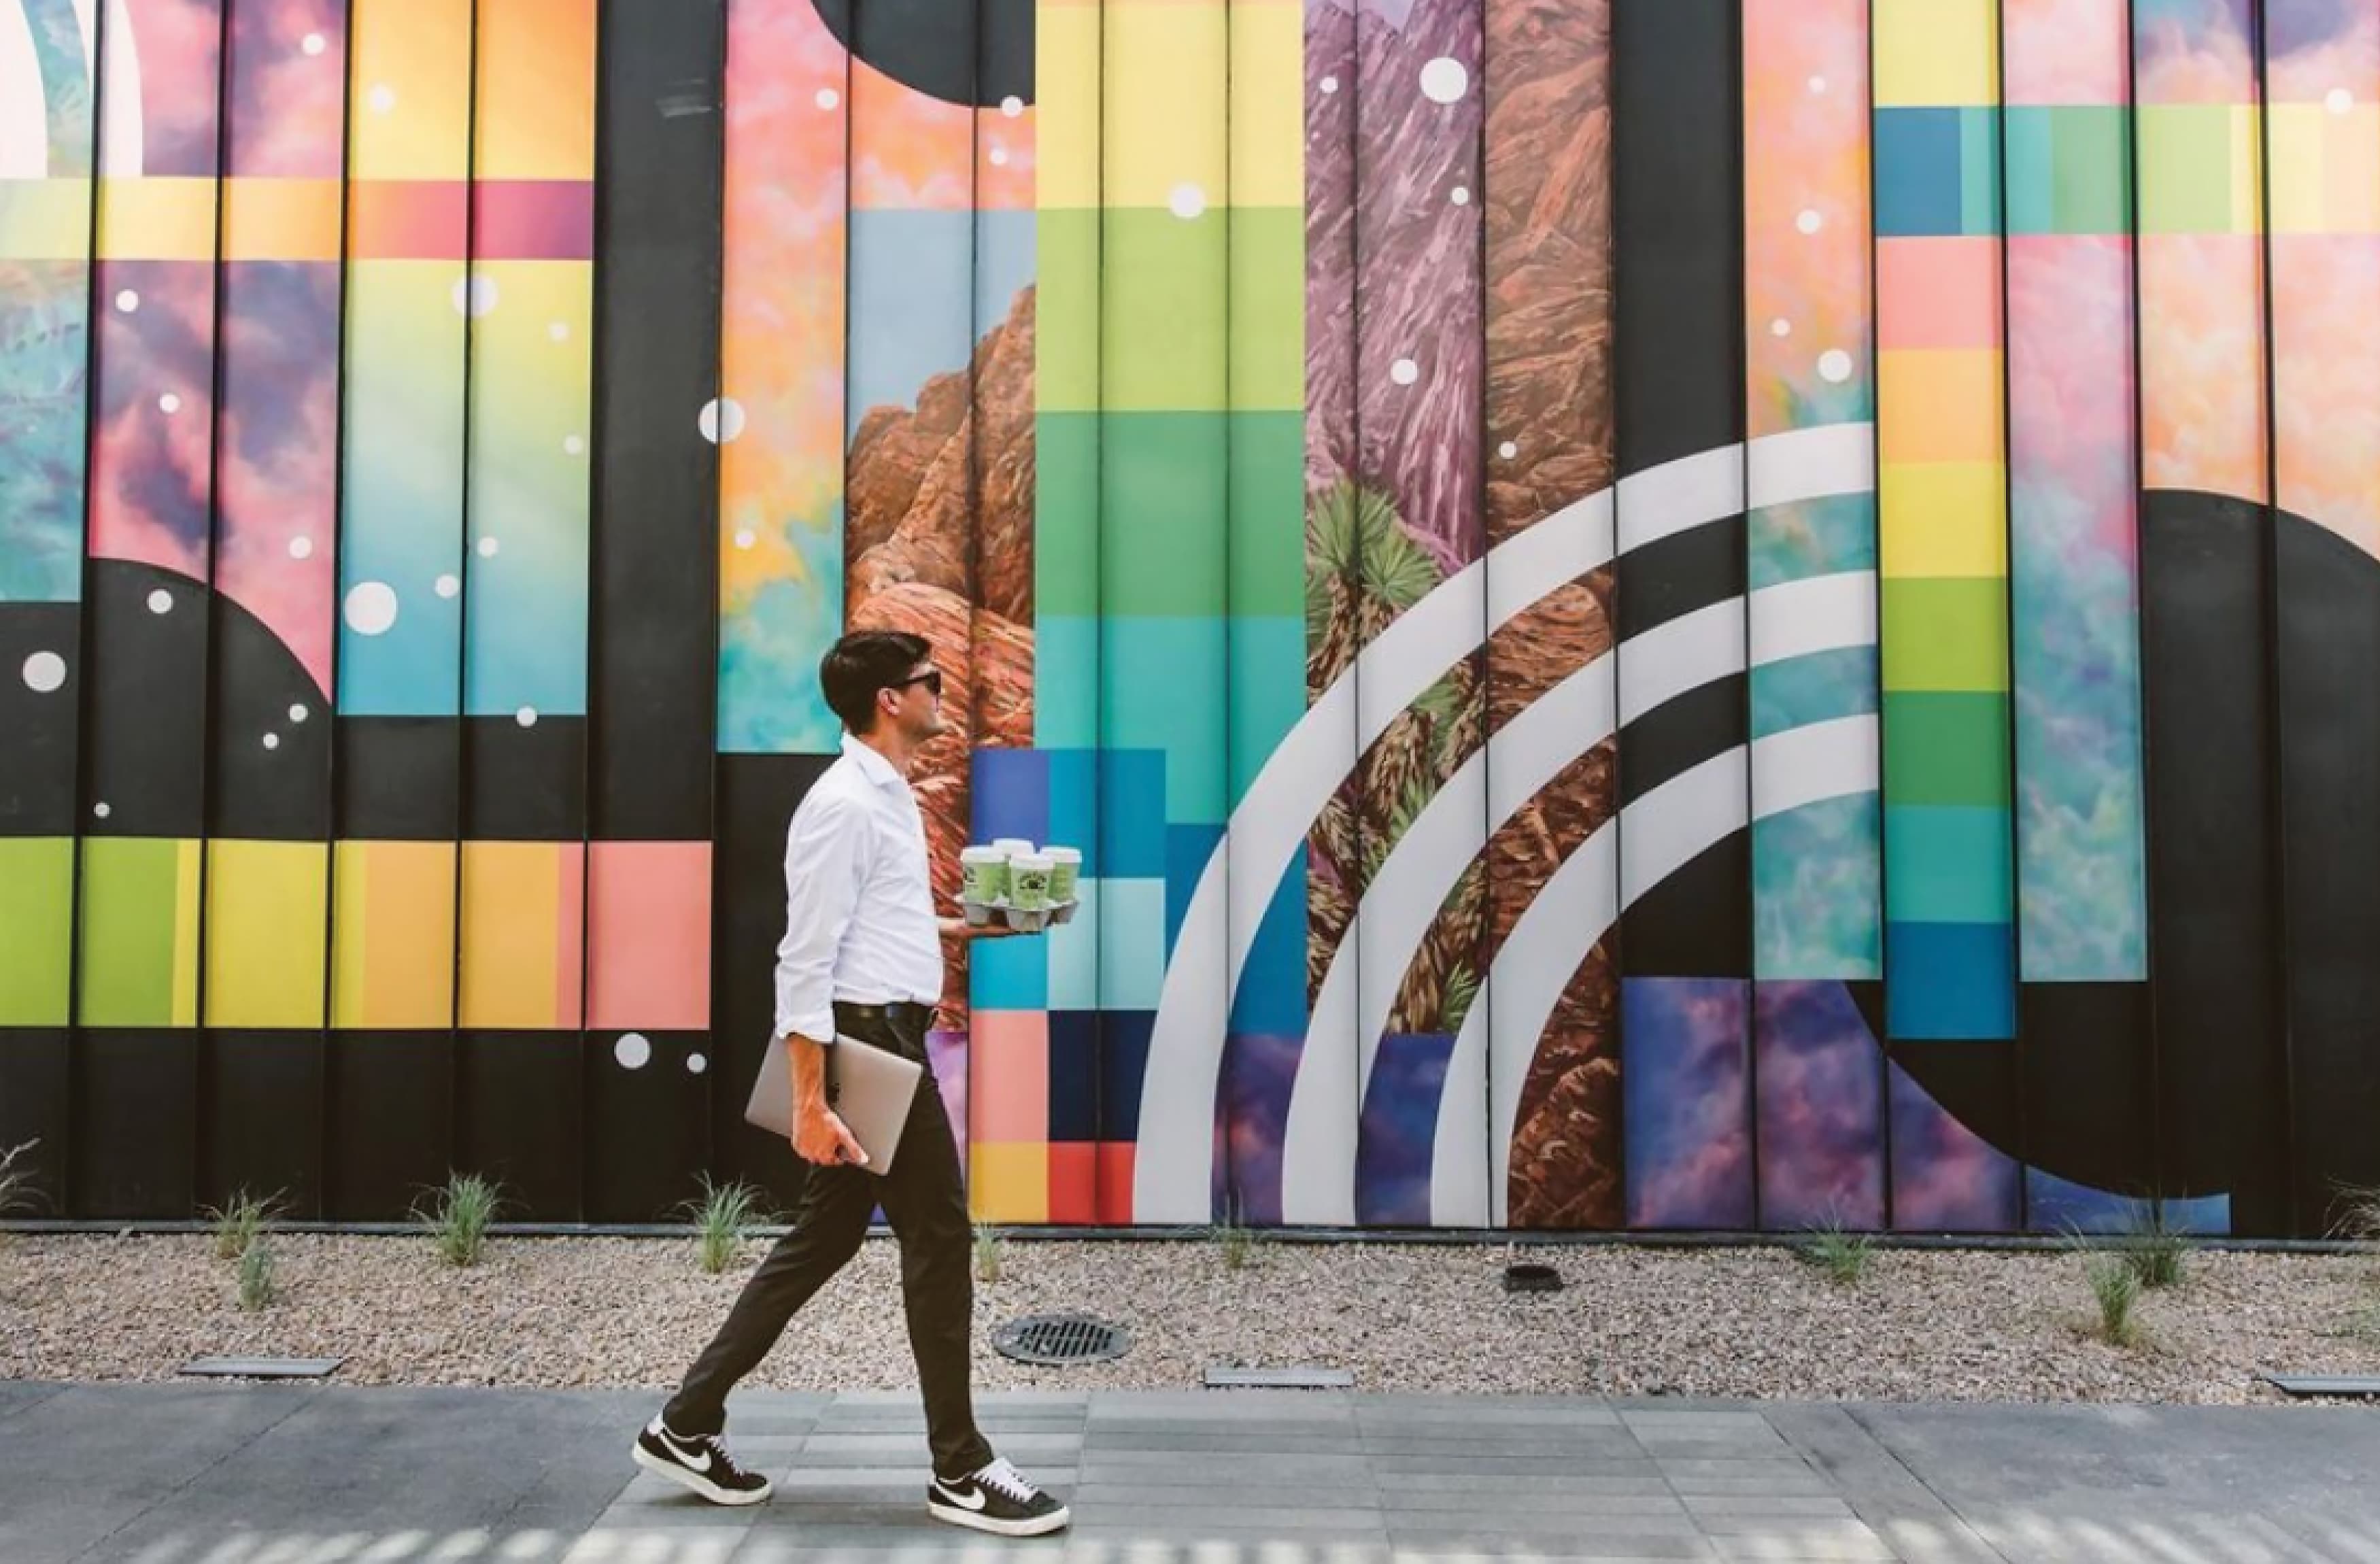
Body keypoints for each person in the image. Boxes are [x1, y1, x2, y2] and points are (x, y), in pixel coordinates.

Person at [632, 630, 1069, 1537]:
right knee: (941, 1239)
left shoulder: (884, 795)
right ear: (888, 701)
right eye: (930, 682)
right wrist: (807, 1100)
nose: (941, 693)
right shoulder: (843, 806)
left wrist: (965, 928)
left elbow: (876, 924)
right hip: (868, 1046)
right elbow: (806, 957)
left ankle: (686, 1422)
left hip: (883, 1031)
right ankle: (961, 1466)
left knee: (824, 1237)